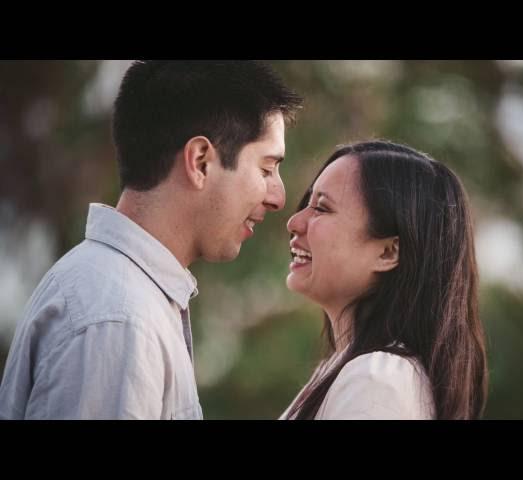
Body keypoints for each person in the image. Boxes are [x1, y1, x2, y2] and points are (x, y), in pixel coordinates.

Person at [0, 60, 302, 419]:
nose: (278, 197)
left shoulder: (124, 298)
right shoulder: (119, 319)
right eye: (266, 169)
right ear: (201, 161)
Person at [280, 140, 488, 420]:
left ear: (388, 252)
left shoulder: (374, 381)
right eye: (308, 203)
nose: (294, 222)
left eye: (321, 208)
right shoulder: (352, 371)